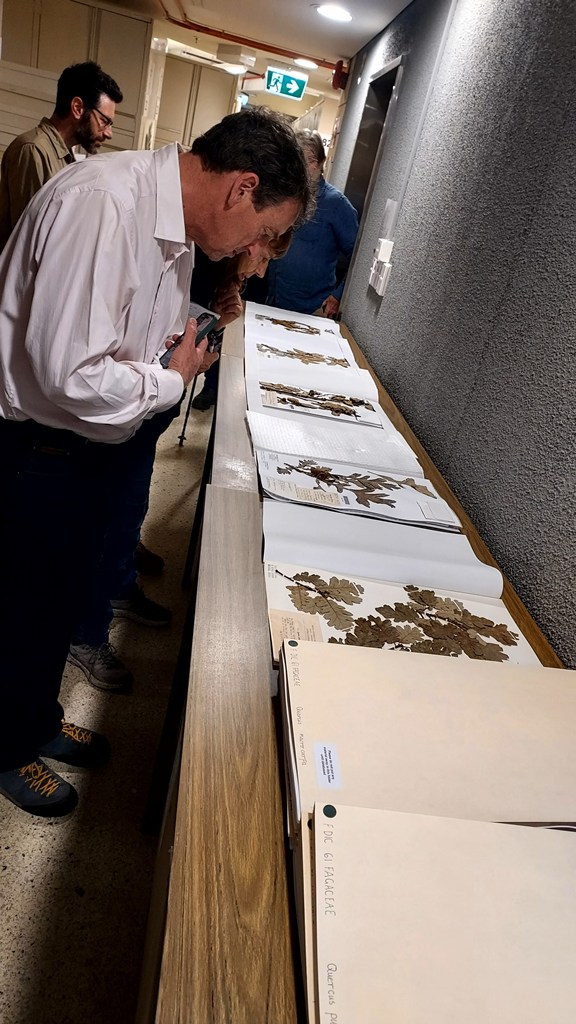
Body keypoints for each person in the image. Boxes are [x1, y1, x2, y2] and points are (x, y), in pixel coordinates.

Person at [0, 106, 311, 817]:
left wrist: (187, 335)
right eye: (264, 232)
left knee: (55, 602)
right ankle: (8, 744)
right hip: (38, 449)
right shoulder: (107, 204)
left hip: (79, 451)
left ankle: (34, 720)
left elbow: (128, 335)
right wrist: (171, 377)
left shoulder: (165, 223)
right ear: (241, 187)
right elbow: (68, 373)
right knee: (22, 606)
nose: (256, 250)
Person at [67, 232, 292, 693]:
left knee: (132, 503)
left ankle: (119, 582)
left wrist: (220, 319)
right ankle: (86, 631)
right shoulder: (202, 253)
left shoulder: (220, 269)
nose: (262, 269)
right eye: (264, 255)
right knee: (109, 516)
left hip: (152, 407)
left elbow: (192, 346)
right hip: (131, 403)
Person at [0, 60, 123, 252]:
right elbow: (31, 241)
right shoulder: (33, 150)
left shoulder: (65, 156)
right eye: (104, 121)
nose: (108, 133)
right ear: (77, 108)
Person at [267, 129, 359, 318]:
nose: (299, 169)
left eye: (307, 162)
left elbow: (357, 258)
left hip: (312, 308)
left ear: (319, 164)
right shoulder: (287, 195)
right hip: (273, 299)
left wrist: (338, 295)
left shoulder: (337, 204)